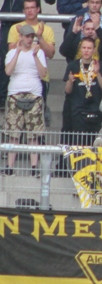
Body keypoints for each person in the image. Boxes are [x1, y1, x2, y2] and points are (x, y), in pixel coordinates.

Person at [3, 25, 46, 176]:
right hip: (15, 94)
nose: (29, 39)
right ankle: (10, 167)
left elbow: (43, 74)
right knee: (13, 134)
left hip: (34, 94)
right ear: (20, 36)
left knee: (33, 135)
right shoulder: (11, 53)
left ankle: (34, 167)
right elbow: (8, 71)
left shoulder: (39, 52)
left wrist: (35, 56)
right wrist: (17, 52)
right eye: (27, 36)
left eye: (31, 36)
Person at [63, 36, 102, 147]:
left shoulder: (99, 65)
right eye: (84, 48)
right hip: (78, 111)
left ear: (94, 50)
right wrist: (70, 81)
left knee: (94, 146)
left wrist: (98, 73)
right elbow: (67, 91)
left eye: (89, 48)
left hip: (96, 111)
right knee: (79, 145)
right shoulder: (73, 65)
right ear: (80, 49)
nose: (86, 50)